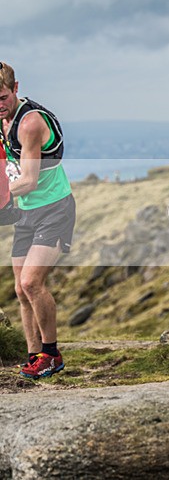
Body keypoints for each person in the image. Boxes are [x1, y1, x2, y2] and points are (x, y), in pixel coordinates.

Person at [0, 62, 75, 379]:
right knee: (20, 289)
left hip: (54, 209)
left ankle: (52, 355)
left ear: (15, 89)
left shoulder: (29, 123)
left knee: (32, 282)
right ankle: (34, 356)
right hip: (27, 212)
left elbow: (29, 180)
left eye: (1, 96)